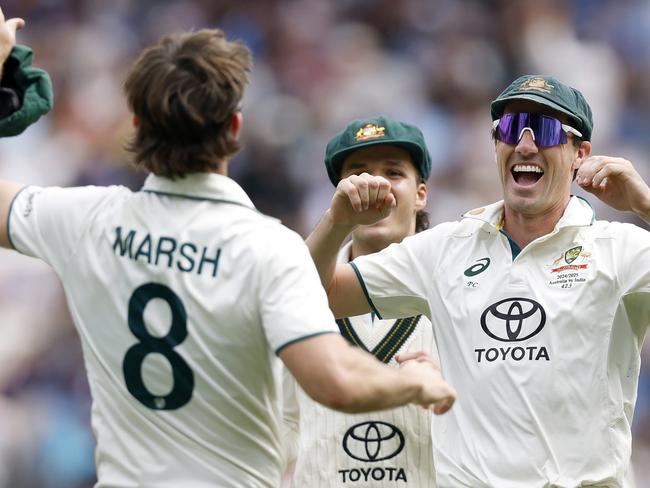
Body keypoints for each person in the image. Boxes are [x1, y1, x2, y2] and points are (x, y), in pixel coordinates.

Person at [0, 10, 457, 488]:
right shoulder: (269, 248)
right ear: (234, 128)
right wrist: (414, 382)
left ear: (135, 123)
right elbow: (335, 382)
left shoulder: (86, 219)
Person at [307, 73, 650, 487]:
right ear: (495, 145)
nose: (525, 144)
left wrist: (644, 203)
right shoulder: (444, 248)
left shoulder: (620, 249)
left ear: (581, 153)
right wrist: (335, 221)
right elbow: (315, 296)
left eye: (543, 129)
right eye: (508, 128)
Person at [282, 116, 440, 487]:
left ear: (421, 194)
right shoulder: (296, 284)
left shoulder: (455, 285)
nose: (375, 185)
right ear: (339, 193)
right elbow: (281, 420)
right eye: (359, 173)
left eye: (393, 172)